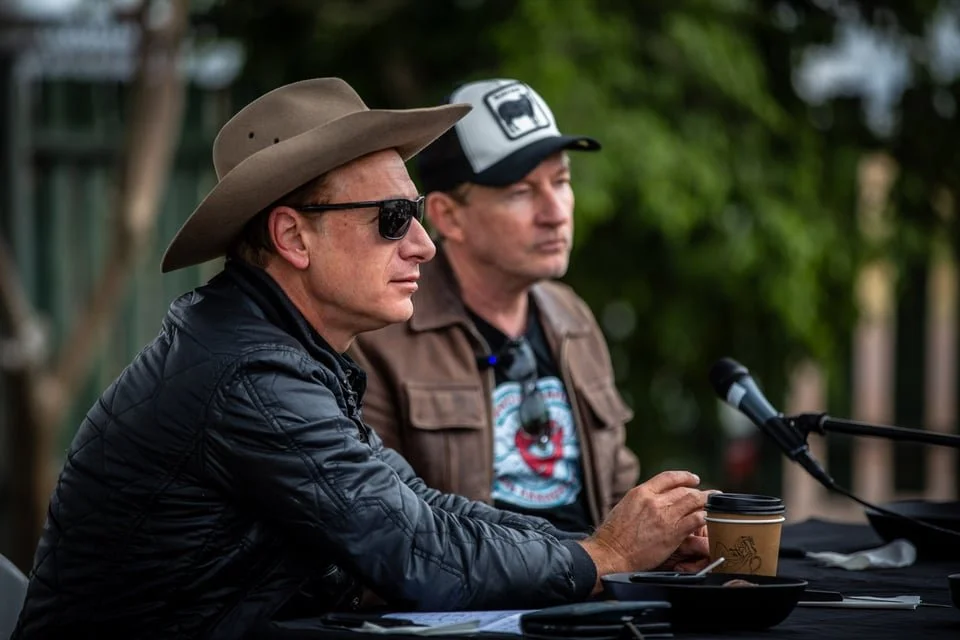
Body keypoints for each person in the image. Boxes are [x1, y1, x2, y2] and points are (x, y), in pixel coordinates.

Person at [13, 78, 710, 639]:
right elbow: (417, 553)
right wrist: (605, 557)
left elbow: (421, 507)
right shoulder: (250, 373)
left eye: (417, 214)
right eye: (392, 219)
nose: (424, 246)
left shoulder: (273, 348)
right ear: (293, 237)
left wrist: (608, 544)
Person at [350, 79, 639, 534]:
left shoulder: (573, 316)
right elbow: (390, 523)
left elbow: (618, 489)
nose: (555, 213)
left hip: (603, 574)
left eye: (561, 181)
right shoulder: (378, 334)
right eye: (521, 192)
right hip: (476, 576)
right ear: (448, 217)